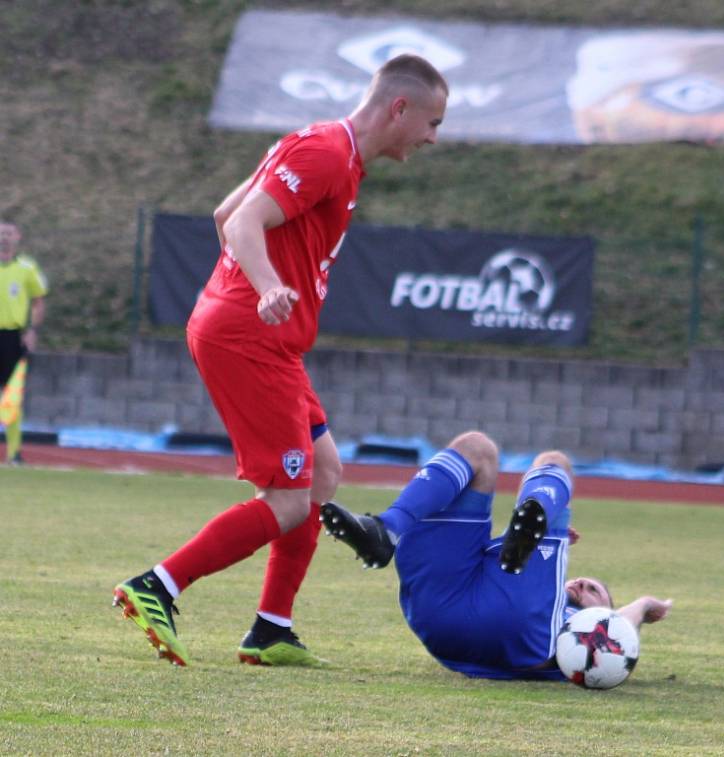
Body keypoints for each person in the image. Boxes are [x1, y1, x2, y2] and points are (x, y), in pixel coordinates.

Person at [112, 53, 449, 667]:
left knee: (322, 473)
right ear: (399, 108)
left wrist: (263, 289)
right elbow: (242, 223)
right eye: (433, 123)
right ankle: (156, 586)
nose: (433, 137)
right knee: (290, 499)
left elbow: (223, 214)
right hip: (248, 336)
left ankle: (271, 629)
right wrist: (264, 288)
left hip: (265, 337)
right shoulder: (323, 152)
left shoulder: (331, 153)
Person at [321, 431, 672, 680]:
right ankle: (385, 531)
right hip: (440, 620)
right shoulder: (539, 591)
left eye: (594, 591)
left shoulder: (581, 633)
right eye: (584, 580)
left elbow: (619, 626)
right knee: (477, 447)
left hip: (517, 632)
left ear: (603, 616)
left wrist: (641, 606)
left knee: (555, 461)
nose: (581, 582)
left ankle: (536, 514)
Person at [0, 222, 47, 465]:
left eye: (8, 234)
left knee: (12, 396)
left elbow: (39, 301)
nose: (4, 238)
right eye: (1, 234)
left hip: (10, 337)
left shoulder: (27, 268)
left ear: (17, 237)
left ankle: (13, 453)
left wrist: (32, 331)